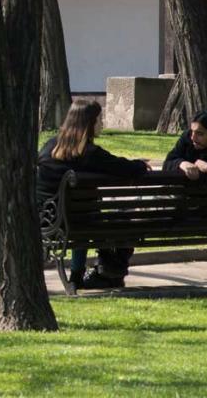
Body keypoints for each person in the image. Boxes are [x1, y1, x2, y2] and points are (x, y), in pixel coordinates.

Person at [37, 99, 150, 290]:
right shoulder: (91, 154)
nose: (103, 123)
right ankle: (101, 273)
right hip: (82, 221)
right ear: (91, 123)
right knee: (120, 219)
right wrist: (140, 163)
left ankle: (88, 274)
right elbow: (124, 168)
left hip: (47, 219)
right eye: (100, 119)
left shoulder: (49, 147)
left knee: (85, 217)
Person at [162, 109, 207, 179]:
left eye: (200, 134)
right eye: (192, 131)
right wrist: (181, 163)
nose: (193, 137)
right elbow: (167, 163)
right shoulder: (187, 138)